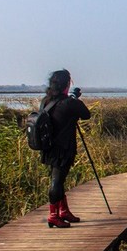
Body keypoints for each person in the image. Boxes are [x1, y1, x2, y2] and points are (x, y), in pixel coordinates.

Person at [41, 69, 91, 228]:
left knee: (58, 180)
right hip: (63, 149)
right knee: (57, 181)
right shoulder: (69, 103)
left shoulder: (46, 101)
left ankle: (63, 211)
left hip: (48, 148)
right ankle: (53, 216)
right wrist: (75, 99)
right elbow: (86, 114)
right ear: (66, 85)